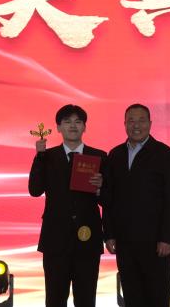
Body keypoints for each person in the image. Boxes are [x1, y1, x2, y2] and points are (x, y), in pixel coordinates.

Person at [102, 104, 170, 307]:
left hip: (155, 243)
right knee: (132, 297)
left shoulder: (164, 154)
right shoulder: (115, 155)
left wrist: (167, 238)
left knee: (157, 298)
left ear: (150, 123)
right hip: (125, 242)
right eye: (131, 120)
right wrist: (109, 234)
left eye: (141, 120)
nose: (136, 125)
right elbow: (109, 198)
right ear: (124, 124)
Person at [29, 104, 108, 307]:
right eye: (67, 122)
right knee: (55, 299)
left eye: (78, 122)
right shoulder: (47, 156)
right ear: (58, 127)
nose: (73, 126)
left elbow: (108, 200)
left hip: (88, 238)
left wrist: (101, 187)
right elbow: (35, 190)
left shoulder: (99, 156)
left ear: (85, 127)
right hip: (55, 239)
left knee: (86, 299)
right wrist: (39, 157)